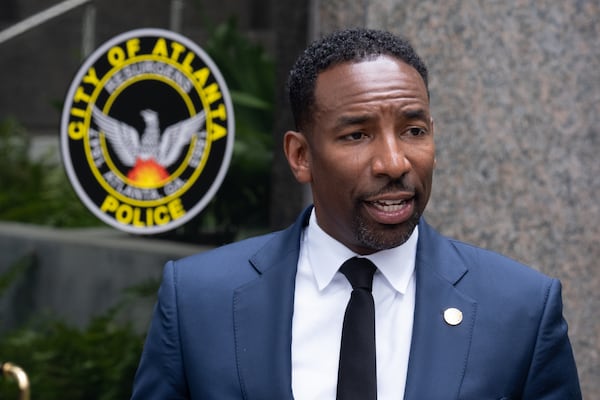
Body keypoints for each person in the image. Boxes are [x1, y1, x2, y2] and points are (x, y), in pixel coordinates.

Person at [130, 28, 581, 399]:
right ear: (301, 155)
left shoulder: (521, 310)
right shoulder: (198, 300)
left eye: (413, 130)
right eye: (357, 135)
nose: (395, 162)